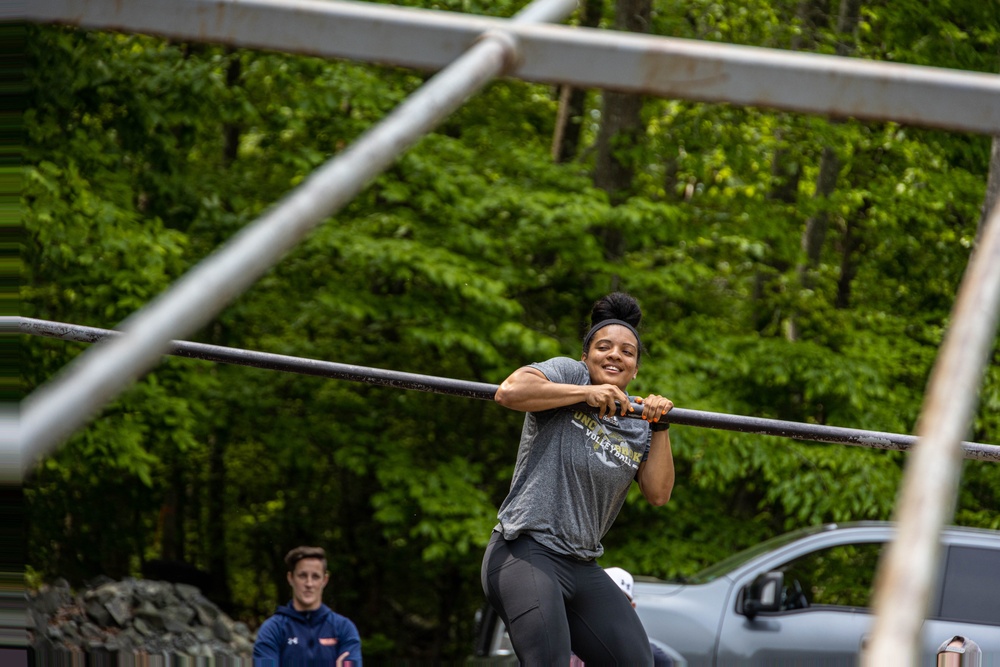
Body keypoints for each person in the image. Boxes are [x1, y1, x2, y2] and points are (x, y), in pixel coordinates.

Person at [482, 292, 675, 666]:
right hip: (525, 550)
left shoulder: (637, 423)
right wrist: (587, 392)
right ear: (586, 356)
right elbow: (508, 392)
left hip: (581, 563)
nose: (615, 355)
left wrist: (660, 424)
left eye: (627, 352)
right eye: (604, 347)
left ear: (635, 370)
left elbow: (658, 493)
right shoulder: (570, 376)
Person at [253, 546, 363, 667]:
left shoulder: (344, 629)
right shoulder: (272, 629)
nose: (309, 584)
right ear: (290, 578)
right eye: (302, 576)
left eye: (315, 576)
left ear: (324, 580)